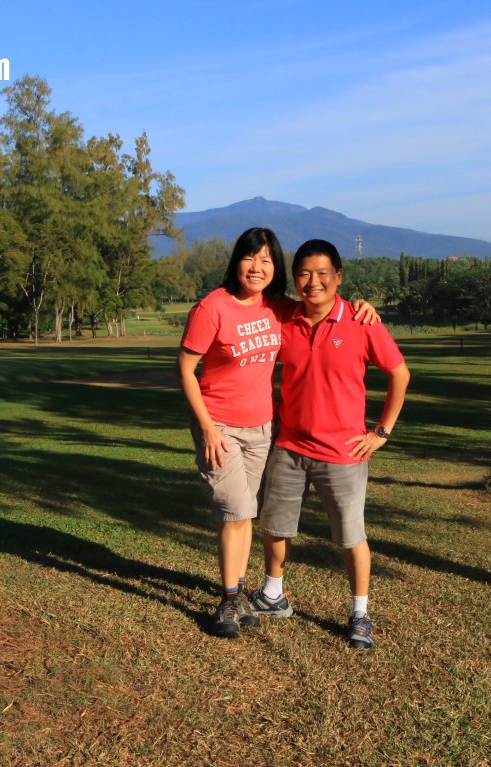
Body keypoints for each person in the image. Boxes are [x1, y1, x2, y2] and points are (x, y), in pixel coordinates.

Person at [178, 228, 377, 639]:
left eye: (267, 261)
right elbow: (184, 368)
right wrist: (207, 428)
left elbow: (320, 299)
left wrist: (361, 306)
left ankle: (245, 593)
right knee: (237, 512)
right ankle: (230, 598)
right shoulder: (213, 307)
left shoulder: (277, 308)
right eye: (251, 259)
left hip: (264, 428)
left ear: (275, 269)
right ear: (237, 262)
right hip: (221, 426)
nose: (257, 267)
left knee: (247, 513)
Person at [249, 238, 409, 650]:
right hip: (289, 447)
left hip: (343, 453)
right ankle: (273, 594)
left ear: (339, 277)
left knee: (351, 536)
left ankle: (359, 614)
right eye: (303, 273)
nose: (313, 282)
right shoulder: (284, 317)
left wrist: (381, 433)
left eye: (323, 274)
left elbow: (400, 374)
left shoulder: (361, 321)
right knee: (275, 527)